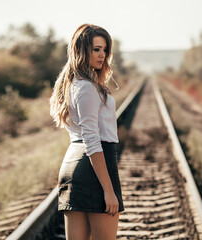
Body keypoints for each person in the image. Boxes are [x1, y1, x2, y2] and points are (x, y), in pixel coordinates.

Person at [49, 23, 124, 240]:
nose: (102, 55)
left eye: (104, 49)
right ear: (81, 51)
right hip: (94, 164)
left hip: (74, 162)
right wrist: (108, 191)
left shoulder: (75, 84)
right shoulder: (88, 88)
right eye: (96, 49)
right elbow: (92, 140)